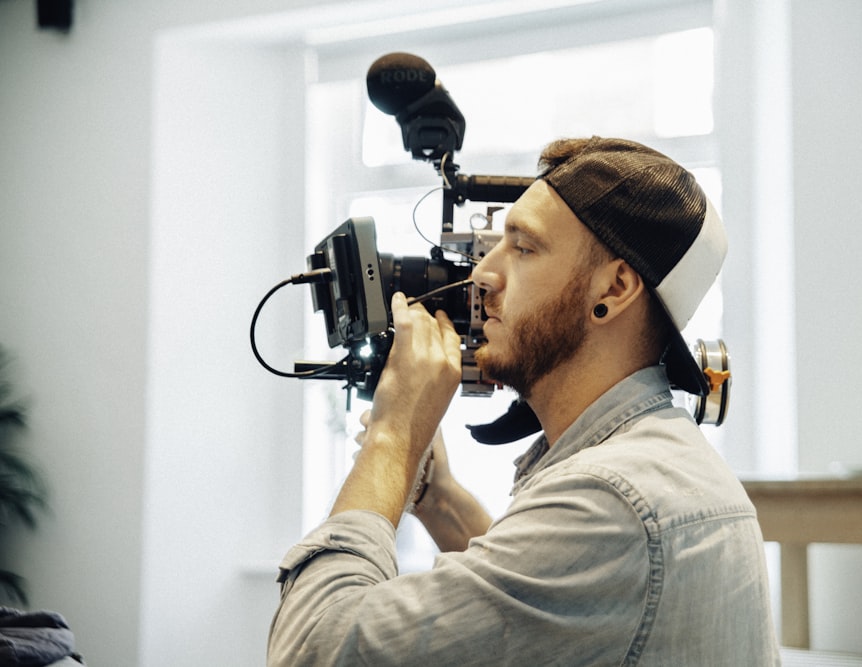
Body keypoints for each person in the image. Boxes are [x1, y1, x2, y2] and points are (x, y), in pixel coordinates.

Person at [267, 137, 780, 665]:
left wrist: (393, 437)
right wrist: (439, 499)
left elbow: (314, 650)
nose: (483, 273)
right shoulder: (654, 466)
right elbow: (540, 601)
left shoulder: (613, 502)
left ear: (614, 288)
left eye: (524, 247)